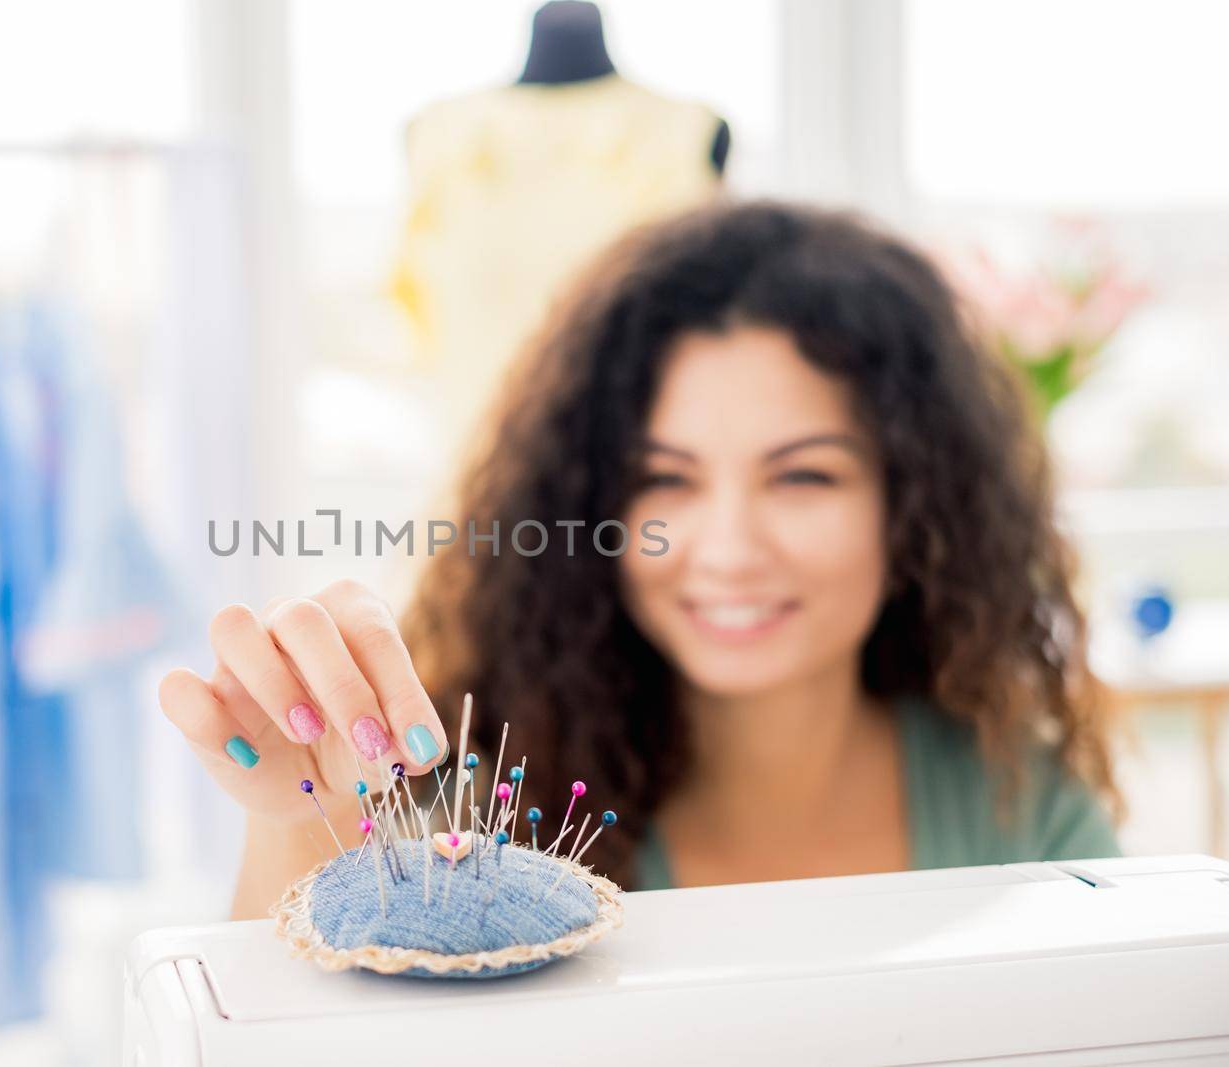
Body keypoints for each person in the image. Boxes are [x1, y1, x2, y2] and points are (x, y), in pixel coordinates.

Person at [158, 201, 1126, 921]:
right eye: (663, 479)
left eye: (803, 477)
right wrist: (300, 817)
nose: (729, 547)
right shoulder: (467, 822)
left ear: (917, 502)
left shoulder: (1019, 804)